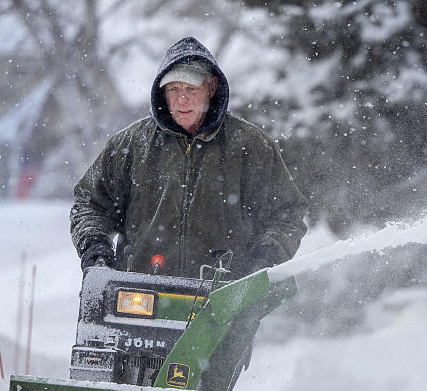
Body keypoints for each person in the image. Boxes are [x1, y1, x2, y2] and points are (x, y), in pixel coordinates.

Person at [70, 36, 307, 279]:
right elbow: (89, 204)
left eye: (191, 89)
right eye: (174, 89)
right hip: (139, 297)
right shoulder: (131, 145)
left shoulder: (251, 145)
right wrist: (96, 249)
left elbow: (287, 213)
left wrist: (265, 259)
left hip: (226, 299)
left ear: (211, 88)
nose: (182, 100)